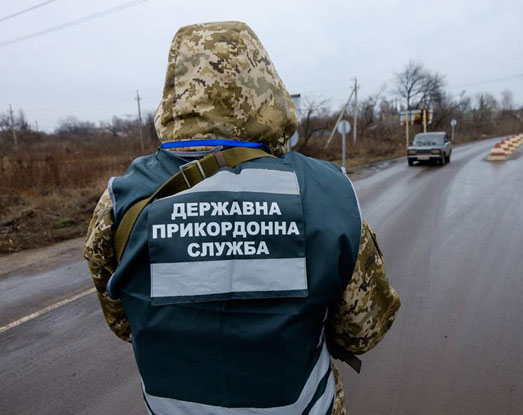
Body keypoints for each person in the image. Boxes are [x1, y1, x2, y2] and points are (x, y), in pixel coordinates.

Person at [84, 21, 401, 415]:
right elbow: (361, 330)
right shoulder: (328, 192)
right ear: (265, 89)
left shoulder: (120, 202)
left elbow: (123, 324)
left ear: (176, 90)